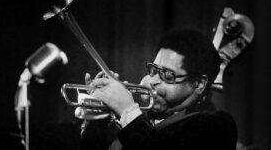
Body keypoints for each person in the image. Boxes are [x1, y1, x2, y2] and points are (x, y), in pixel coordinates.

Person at [82, 27, 237, 150]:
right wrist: (96, 122)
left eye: (168, 76)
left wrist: (128, 111)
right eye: (154, 70)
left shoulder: (216, 125)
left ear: (199, 83)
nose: (153, 81)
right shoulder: (141, 118)